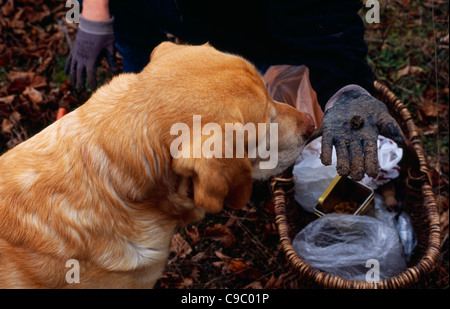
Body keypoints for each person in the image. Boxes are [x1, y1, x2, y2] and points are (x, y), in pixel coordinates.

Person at [65, 0, 405, 181]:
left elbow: (326, 17)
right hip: (186, 7)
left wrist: (345, 89)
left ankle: (254, 64)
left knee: (264, 103)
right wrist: (94, 13)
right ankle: (147, 121)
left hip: (258, 22)